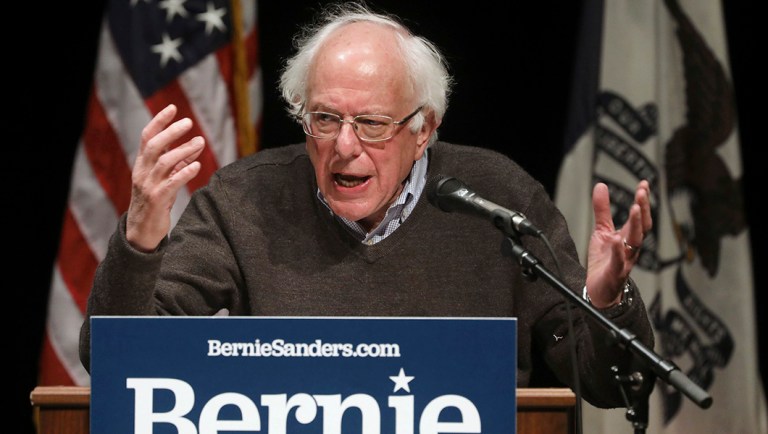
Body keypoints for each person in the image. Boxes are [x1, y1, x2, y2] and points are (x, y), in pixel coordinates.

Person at [79, 1, 654, 409]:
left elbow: (612, 386)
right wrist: (142, 239)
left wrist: (608, 301)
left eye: (372, 125)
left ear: (423, 128)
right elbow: (118, 366)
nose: (344, 146)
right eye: (325, 119)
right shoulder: (244, 200)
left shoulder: (498, 199)